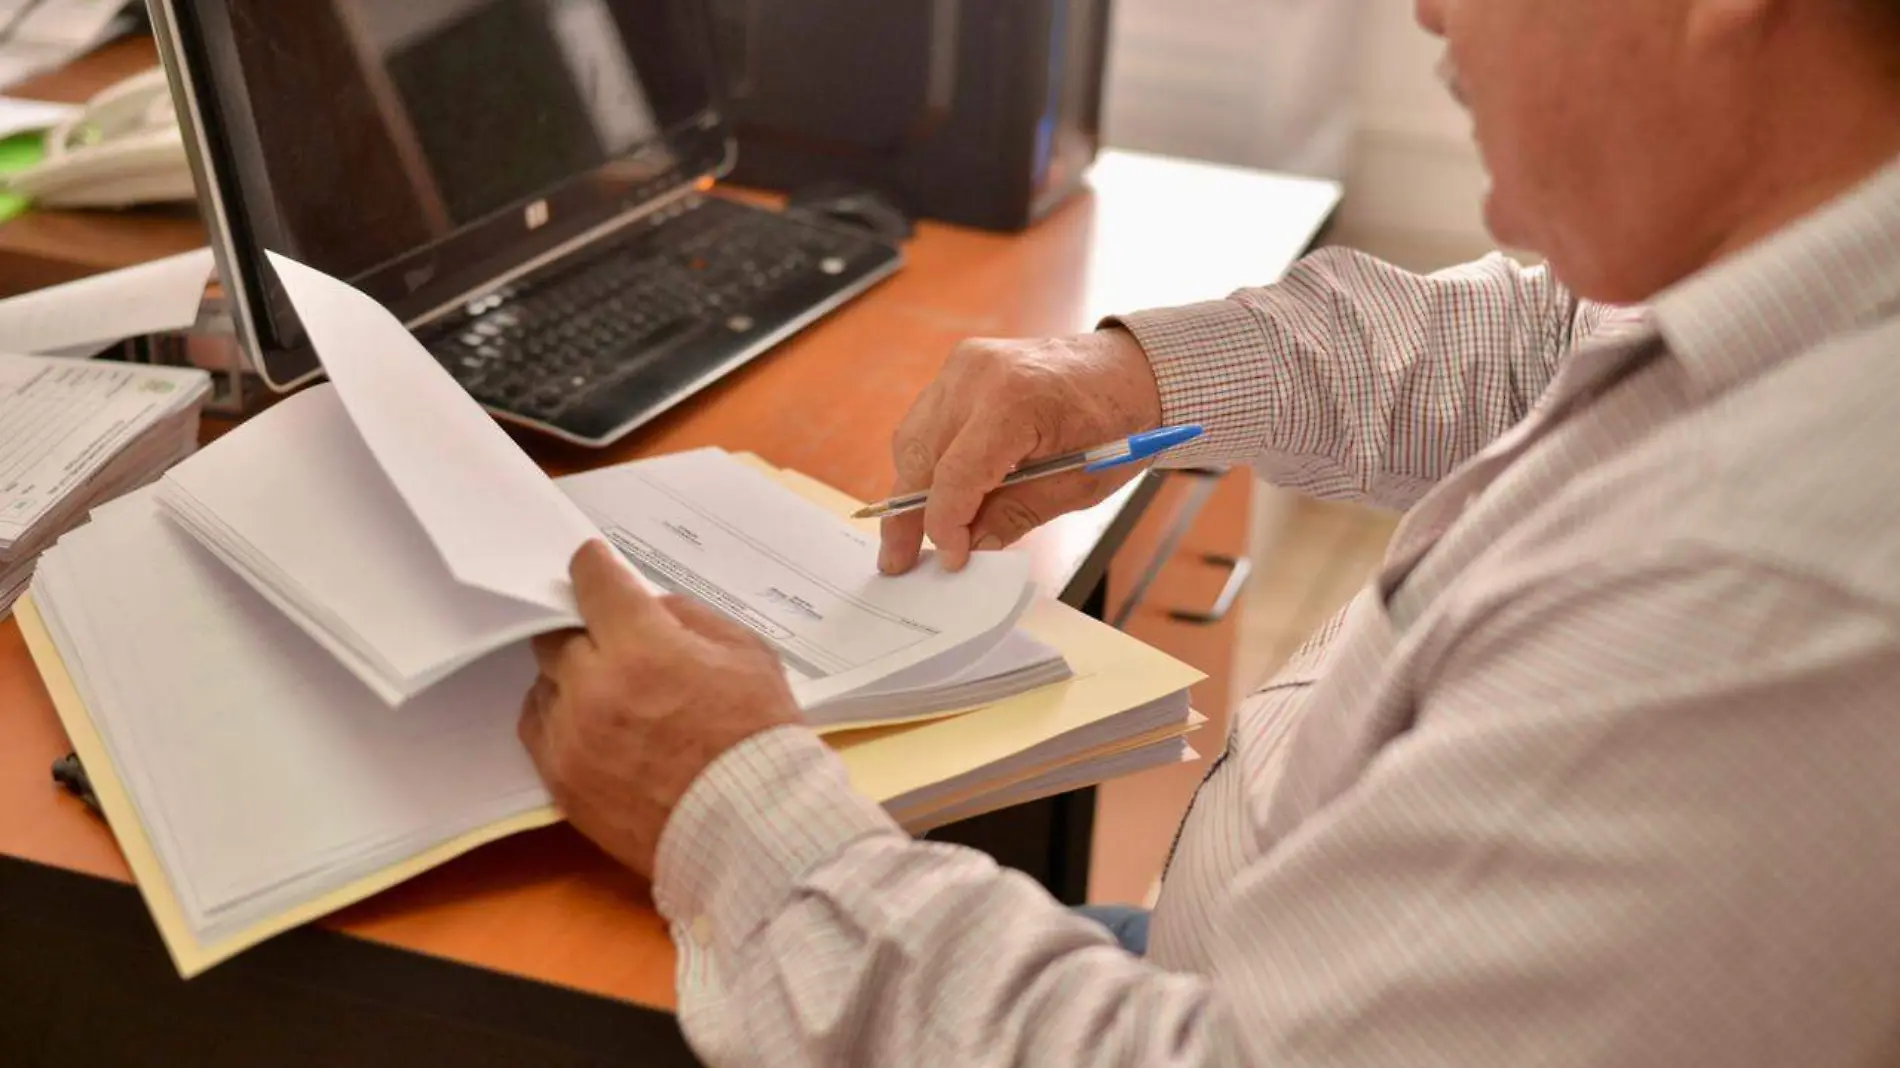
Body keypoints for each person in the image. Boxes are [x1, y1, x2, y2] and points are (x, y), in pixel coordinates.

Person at [517, 0, 1900, 1063]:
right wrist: (1141, 377)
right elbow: (1537, 335)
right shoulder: (1800, 261)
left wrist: (726, 799)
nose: (1423, 10)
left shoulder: (1773, 587)